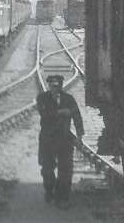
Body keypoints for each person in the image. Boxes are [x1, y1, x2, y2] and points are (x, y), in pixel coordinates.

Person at [35, 74, 84, 208]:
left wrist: (79, 136)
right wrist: (61, 112)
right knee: (47, 169)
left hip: (64, 139)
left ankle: (63, 197)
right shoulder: (42, 98)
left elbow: (77, 117)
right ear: (49, 85)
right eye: (52, 85)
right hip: (47, 139)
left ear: (61, 86)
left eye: (57, 85)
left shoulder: (69, 99)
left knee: (66, 170)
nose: (55, 88)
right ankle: (49, 191)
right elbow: (44, 114)